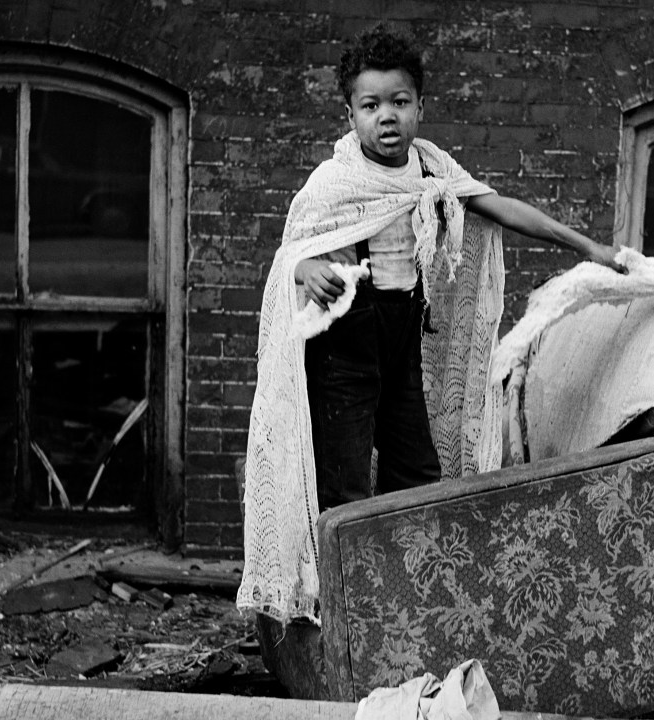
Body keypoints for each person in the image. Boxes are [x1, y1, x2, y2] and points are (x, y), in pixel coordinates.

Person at [237, 23, 623, 623]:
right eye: (370, 106)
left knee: (416, 473)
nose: (386, 117)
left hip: (402, 339)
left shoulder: (432, 171)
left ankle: (405, 601)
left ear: (421, 106)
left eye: (399, 102)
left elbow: (504, 207)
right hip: (344, 348)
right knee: (343, 487)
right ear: (350, 114)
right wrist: (307, 268)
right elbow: (292, 254)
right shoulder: (333, 183)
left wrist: (588, 246)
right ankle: (345, 614)